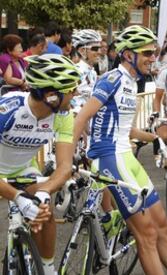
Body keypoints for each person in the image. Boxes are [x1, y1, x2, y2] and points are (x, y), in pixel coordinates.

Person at [72, 25, 167, 275]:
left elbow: (127, 130)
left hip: (125, 156)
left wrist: (155, 138)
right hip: (110, 158)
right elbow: (82, 118)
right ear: (127, 54)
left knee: (162, 225)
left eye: (154, 53)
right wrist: (67, 161)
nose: (152, 58)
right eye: (146, 53)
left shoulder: (132, 83)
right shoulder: (112, 78)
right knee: (146, 233)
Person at [0, 54, 81, 274]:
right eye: (72, 90)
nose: (77, 94)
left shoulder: (63, 115)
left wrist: (44, 192)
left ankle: (47, 268)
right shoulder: (8, 109)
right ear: (52, 95)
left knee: (44, 213)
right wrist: (17, 196)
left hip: (24, 171)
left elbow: (64, 167)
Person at [71, 29, 102, 111]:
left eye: (100, 48)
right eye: (95, 48)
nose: (99, 52)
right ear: (82, 50)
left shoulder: (93, 72)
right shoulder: (76, 71)